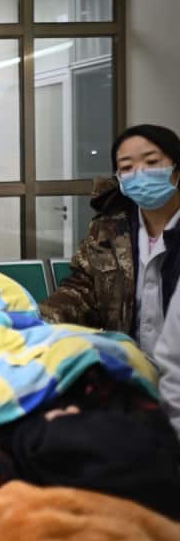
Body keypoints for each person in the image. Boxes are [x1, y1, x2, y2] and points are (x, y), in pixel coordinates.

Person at [41, 124, 180, 440]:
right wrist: (41, 321)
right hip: (129, 377)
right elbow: (82, 287)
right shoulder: (108, 230)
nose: (139, 174)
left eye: (152, 162)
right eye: (127, 168)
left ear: (176, 169)